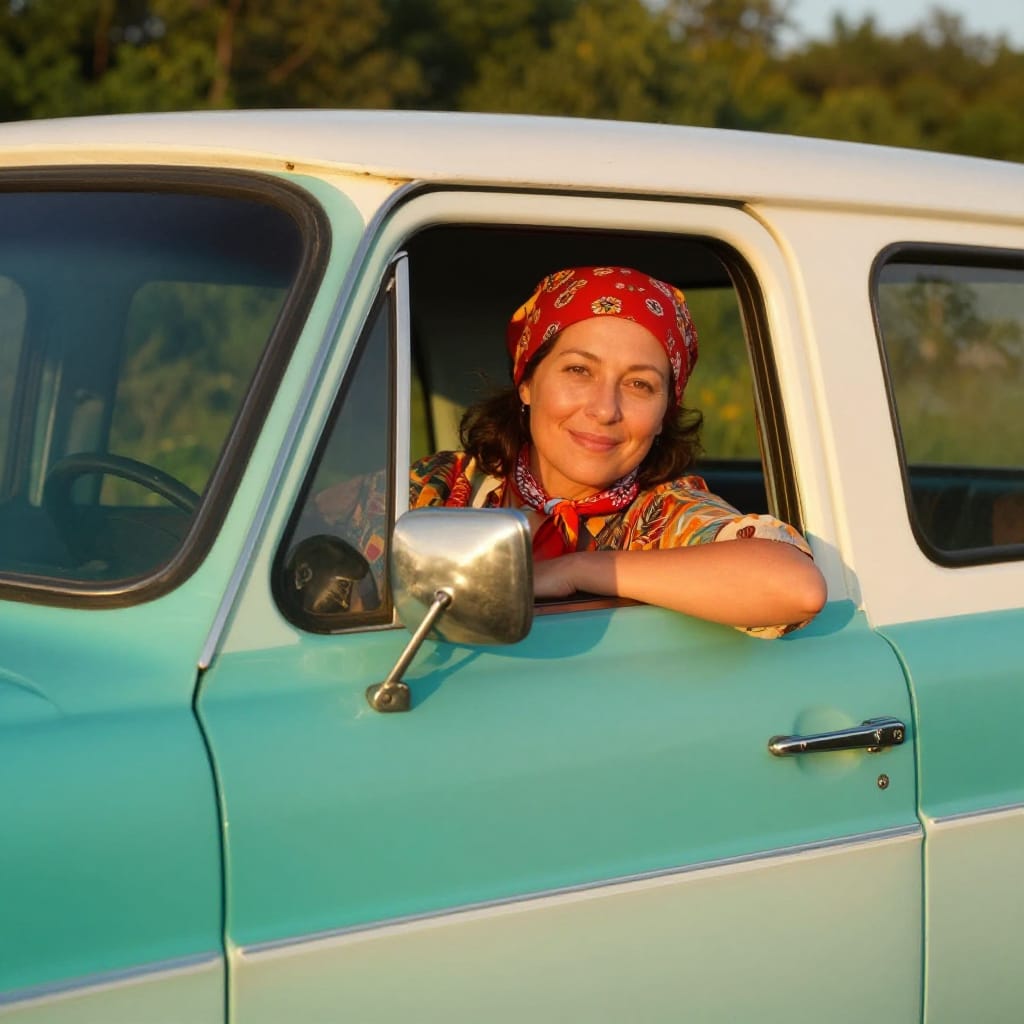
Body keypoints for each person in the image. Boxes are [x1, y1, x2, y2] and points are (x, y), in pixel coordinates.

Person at [407, 265, 826, 638]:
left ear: (664, 414)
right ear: (528, 383)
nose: (605, 409)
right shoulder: (443, 485)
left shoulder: (664, 515)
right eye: (579, 370)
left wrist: (578, 569)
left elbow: (795, 587)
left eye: (639, 384)